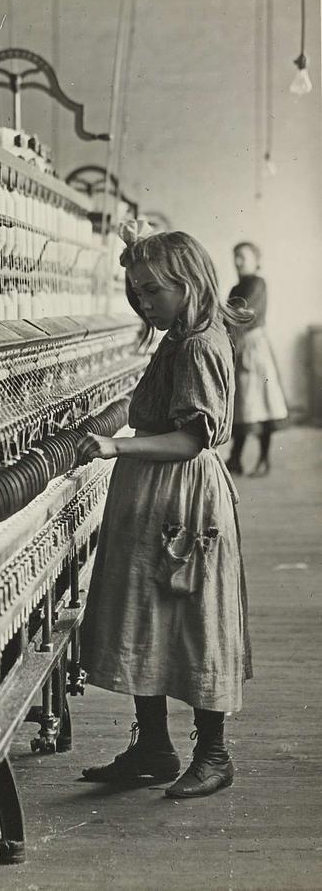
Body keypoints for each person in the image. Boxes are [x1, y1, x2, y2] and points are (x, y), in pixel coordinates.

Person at [76, 223, 253, 799]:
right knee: (144, 614)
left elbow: (189, 441)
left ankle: (214, 754)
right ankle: (152, 747)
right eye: (135, 290)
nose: (142, 301)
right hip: (155, 494)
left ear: (190, 283)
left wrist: (112, 445)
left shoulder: (199, 344)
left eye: (153, 290)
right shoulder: (179, 336)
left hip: (181, 494)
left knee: (194, 619)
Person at [226, 242, 288, 477]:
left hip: (254, 348)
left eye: (243, 257)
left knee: (262, 404)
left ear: (256, 260)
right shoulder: (235, 287)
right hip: (240, 347)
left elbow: (244, 314)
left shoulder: (257, 283)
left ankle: (264, 459)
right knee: (243, 404)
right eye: (236, 257)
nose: (238, 261)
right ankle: (236, 458)